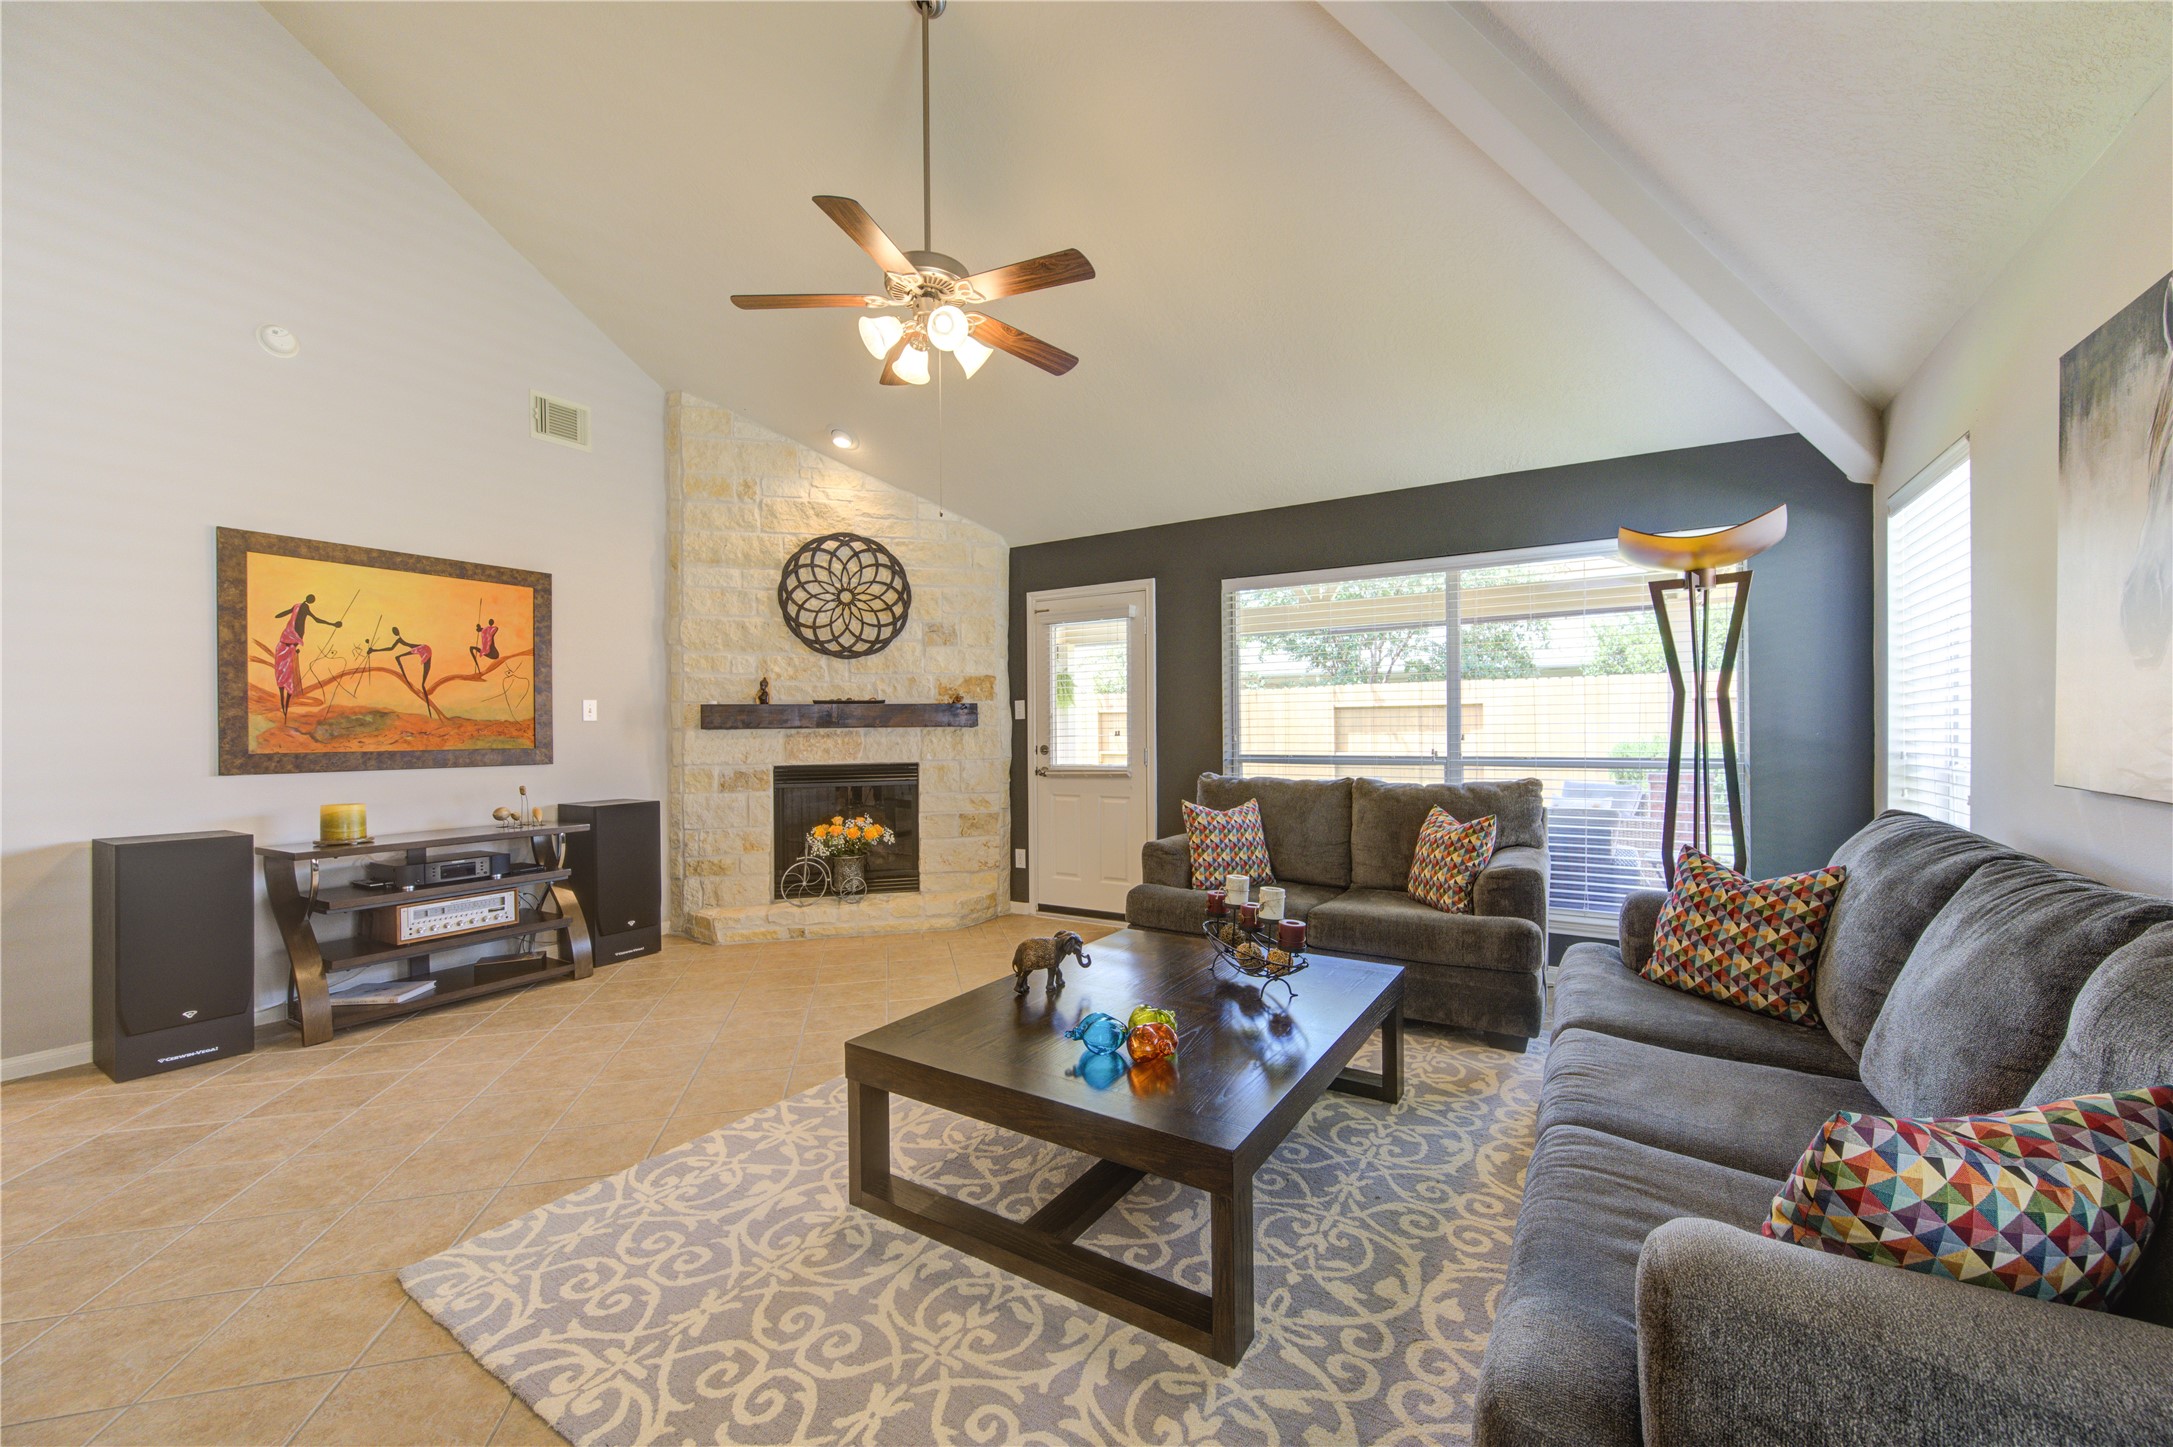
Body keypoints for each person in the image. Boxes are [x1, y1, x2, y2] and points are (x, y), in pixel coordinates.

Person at [270, 593, 340, 723]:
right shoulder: (305, 607)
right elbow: (317, 620)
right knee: (287, 672)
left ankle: (284, 705)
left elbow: (285, 612)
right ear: (310, 600)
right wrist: (333, 624)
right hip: (292, 639)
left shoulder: (297, 606)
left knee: (284, 670)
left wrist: (279, 615)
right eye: (312, 599)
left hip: (289, 639)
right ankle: (285, 704)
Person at [367, 627, 435, 706]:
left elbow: (391, 648)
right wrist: (373, 650)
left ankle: (407, 679)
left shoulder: (401, 639)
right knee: (422, 683)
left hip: (424, 649)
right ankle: (407, 679)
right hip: (423, 649)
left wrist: (373, 650)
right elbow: (391, 648)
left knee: (422, 683)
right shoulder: (399, 639)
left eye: (394, 632)